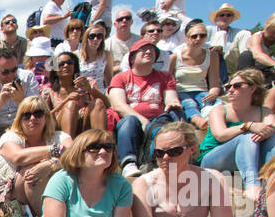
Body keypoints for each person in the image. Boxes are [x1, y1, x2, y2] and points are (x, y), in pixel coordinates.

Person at [197, 67, 275, 205]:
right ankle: (252, 184)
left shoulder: (264, 111)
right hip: (213, 160)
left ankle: (274, 182)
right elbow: (220, 135)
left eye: (237, 86)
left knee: (272, 136)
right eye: (228, 86)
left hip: (247, 158)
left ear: (253, 88)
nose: (230, 89)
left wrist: (268, 130)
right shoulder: (219, 110)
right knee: (247, 135)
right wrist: (247, 126)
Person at [0, 96, 70, 217]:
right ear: (19, 119)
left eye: (38, 114)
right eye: (26, 115)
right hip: (14, 199)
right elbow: (18, 157)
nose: (32, 118)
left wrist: (50, 165)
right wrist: (54, 150)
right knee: (30, 174)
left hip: (56, 193)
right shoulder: (10, 137)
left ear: (47, 117)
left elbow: (76, 157)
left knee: (38, 172)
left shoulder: (60, 137)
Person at [109, 38, 182, 177]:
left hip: (157, 119)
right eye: (143, 49)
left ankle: (154, 162)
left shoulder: (165, 76)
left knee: (163, 123)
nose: (149, 51)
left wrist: (173, 102)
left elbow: (171, 98)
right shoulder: (120, 78)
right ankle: (128, 163)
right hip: (131, 120)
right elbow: (119, 105)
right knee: (130, 121)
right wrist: (143, 121)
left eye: (152, 50)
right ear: (132, 57)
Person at [168, 19, 221, 128]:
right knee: (189, 104)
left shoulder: (212, 56)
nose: (198, 39)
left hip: (202, 90)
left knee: (215, 103)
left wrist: (214, 92)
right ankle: (198, 120)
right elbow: (168, 81)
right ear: (187, 38)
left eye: (202, 36)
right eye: (194, 36)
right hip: (182, 90)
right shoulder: (175, 57)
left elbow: (214, 83)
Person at [44, 50, 108, 138]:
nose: (66, 65)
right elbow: (43, 117)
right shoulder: (49, 91)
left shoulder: (87, 83)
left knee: (98, 102)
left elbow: (107, 104)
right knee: (71, 105)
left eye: (69, 62)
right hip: (60, 128)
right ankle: (69, 147)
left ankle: (102, 143)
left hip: (85, 124)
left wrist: (90, 90)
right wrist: (66, 101)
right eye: (61, 64)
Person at [239, 12, 275, 84]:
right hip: (254, 70)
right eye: (271, 30)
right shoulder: (257, 37)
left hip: (271, 74)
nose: (273, 35)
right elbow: (257, 54)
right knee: (246, 55)